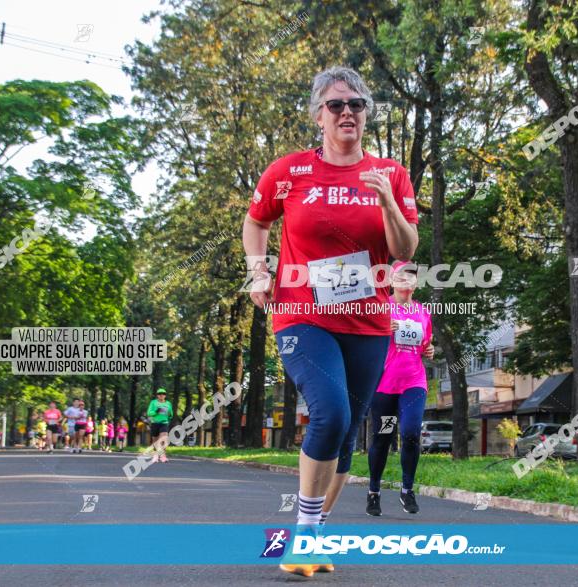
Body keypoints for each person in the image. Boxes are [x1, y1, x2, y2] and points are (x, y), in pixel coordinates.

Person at [243, 66, 418, 577]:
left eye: (357, 105)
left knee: (345, 438)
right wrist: (259, 272)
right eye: (336, 105)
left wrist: (387, 202)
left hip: (368, 322)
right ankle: (303, 533)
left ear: (366, 115)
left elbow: (405, 250)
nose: (347, 113)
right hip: (302, 314)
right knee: (331, 414)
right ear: (318, 115)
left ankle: (311, 532)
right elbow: (256, 222)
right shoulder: (289, 171)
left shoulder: (391, 174)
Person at [366, 261, 434, 516]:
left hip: (413, 383)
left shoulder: (422, 312)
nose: (407, 279)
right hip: (384, 387)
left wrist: (430, 350)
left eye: (412, 276)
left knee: (411, 432)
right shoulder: (381, 307)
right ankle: (374, 492)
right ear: (392, 281)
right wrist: (382, 330)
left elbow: (426, 345)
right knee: (383, 438)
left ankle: (407, 490)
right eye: (401, 275)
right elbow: (364, 341)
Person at [147, 389, 172, 463]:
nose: (161, 395)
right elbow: (149, 413)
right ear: (157, 395)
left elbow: (171, 413)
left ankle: (163, 456)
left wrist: (169, 415)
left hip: (164, 423)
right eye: (160, 394)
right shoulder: (153, 402)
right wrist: (156, 411)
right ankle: (155, 455)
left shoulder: (168, 403)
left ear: (165, 395)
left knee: (163, 439)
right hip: (155, 423)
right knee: (155, 440)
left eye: (163, 394)